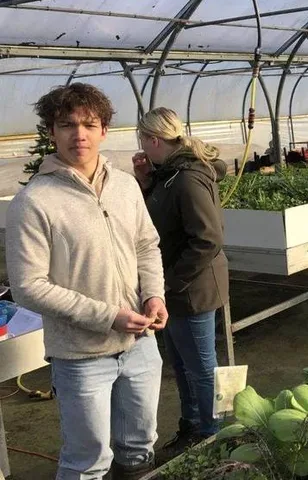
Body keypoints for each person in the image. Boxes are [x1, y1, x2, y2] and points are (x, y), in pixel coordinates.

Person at [5, 83, 167, 480]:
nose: (79, 134)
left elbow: (147, 246)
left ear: (104, 131)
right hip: (80, 355)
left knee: (139, 447)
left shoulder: (126, 186)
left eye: (89, 124)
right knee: (88, 461)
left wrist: (155, 296)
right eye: (67, 125)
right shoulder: (34, 202)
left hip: (140, 345)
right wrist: (108, 316)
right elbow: (29, 285)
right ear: (51, 132)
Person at [133, 108, 230, 457]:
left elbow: (207, 239)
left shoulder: (187, 179)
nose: (142, 146)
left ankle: (214, 436)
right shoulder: (169, 174)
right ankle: (193, 427)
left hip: (191, 289)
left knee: (202, 367)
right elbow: (157, 218)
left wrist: (170, 282)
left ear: (153, 139)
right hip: (177, 288)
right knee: (185, 364)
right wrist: (146, 181)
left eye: (143, 139)